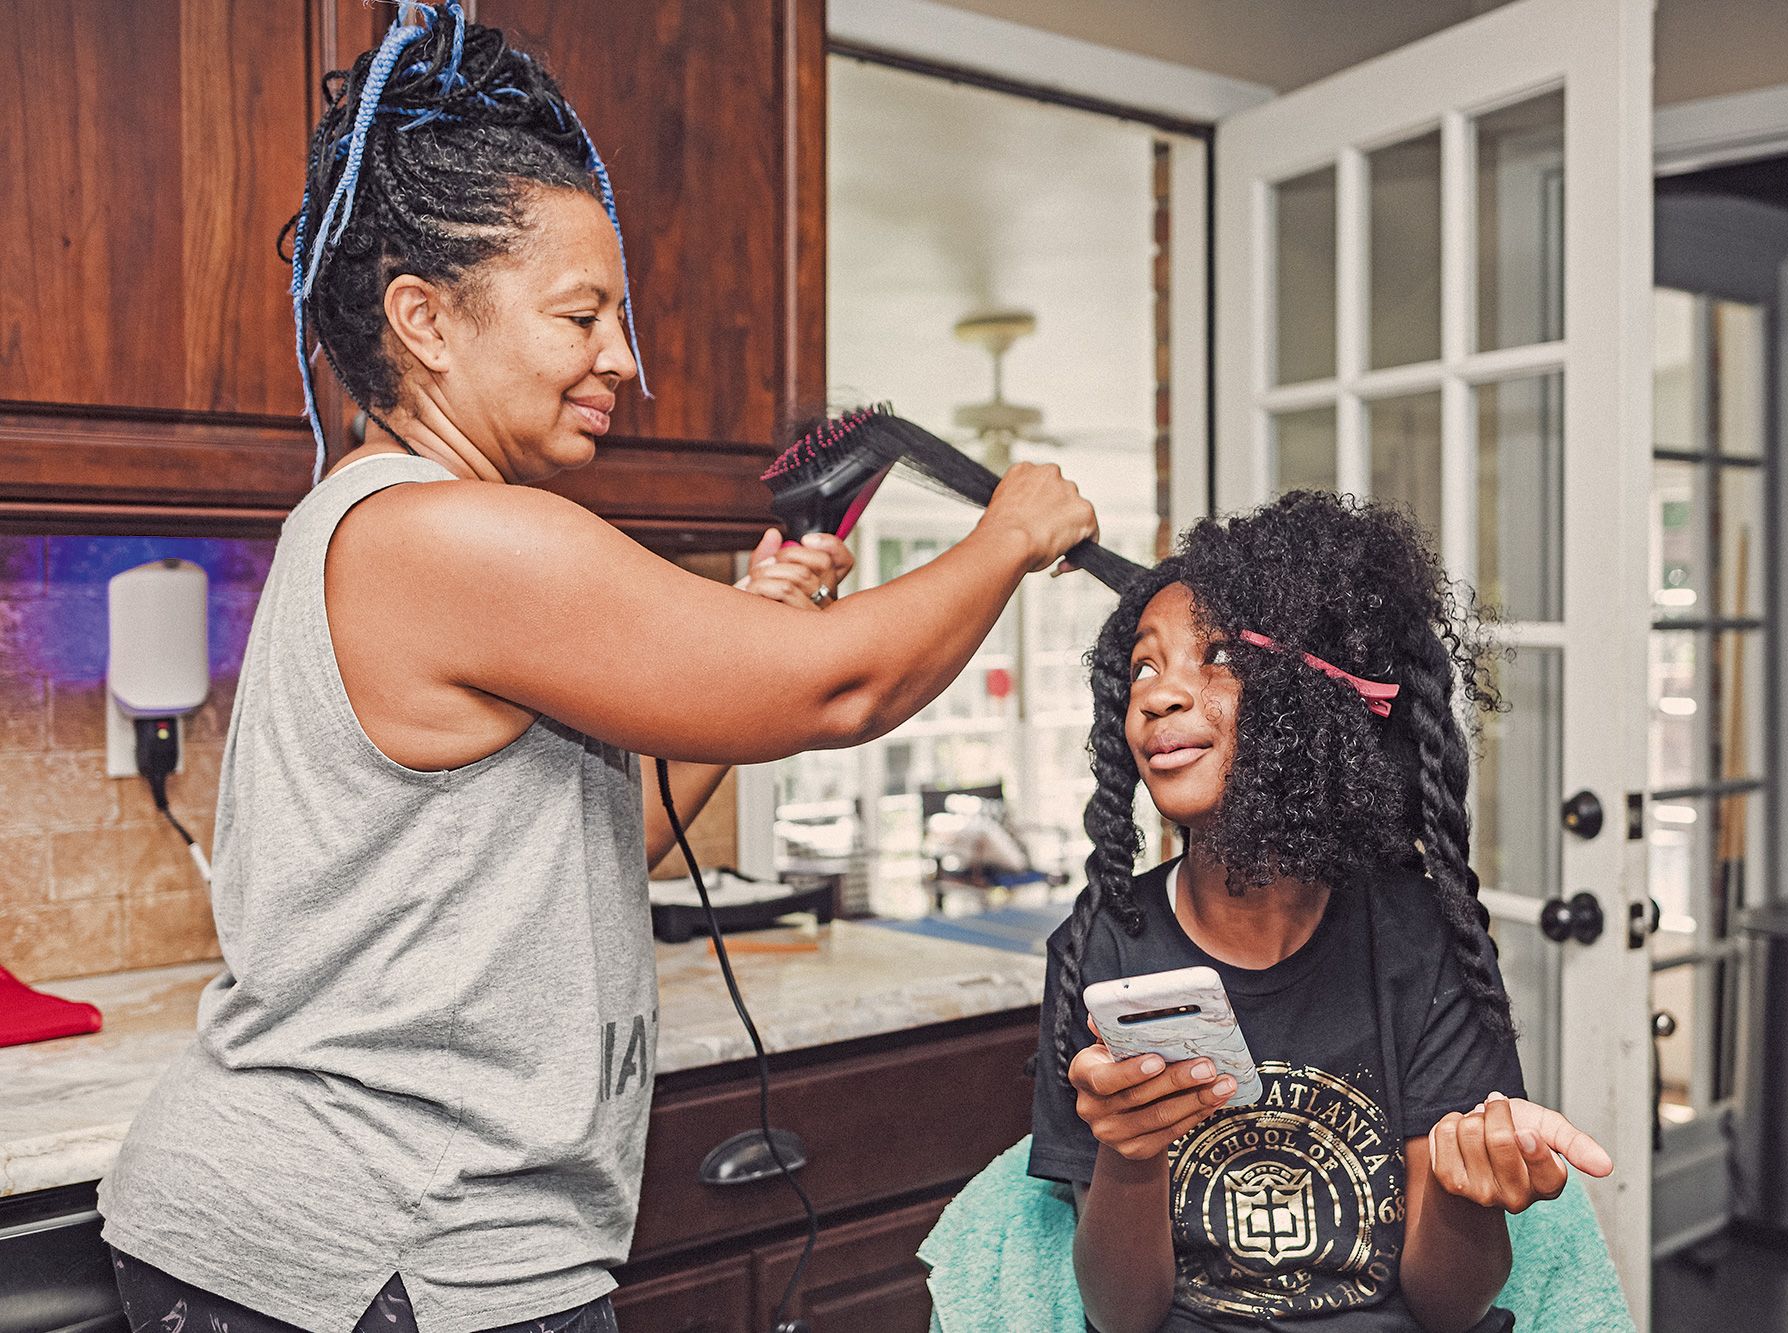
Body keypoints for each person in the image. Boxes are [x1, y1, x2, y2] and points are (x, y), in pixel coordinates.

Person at [96, 7, 1097, 1333]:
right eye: (583, 314)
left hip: (325, 1241)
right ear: (425, 320)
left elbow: (607, 830)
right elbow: (835, 692)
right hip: (379, 1250)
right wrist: (1007, 537)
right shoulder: (446, 533)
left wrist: (745, 638)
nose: (624, 358)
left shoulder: (390, 525)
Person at [1028, 491, 1612, 1333]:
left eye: (1217, 654)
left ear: (1316, 698)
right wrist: (1128, 1155)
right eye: (1144, 668)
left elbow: (1451, 1307)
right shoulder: (1101, 946)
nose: (1157, 697)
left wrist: (1465, 1189)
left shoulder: (1422, 941)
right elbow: (1123, 1318)